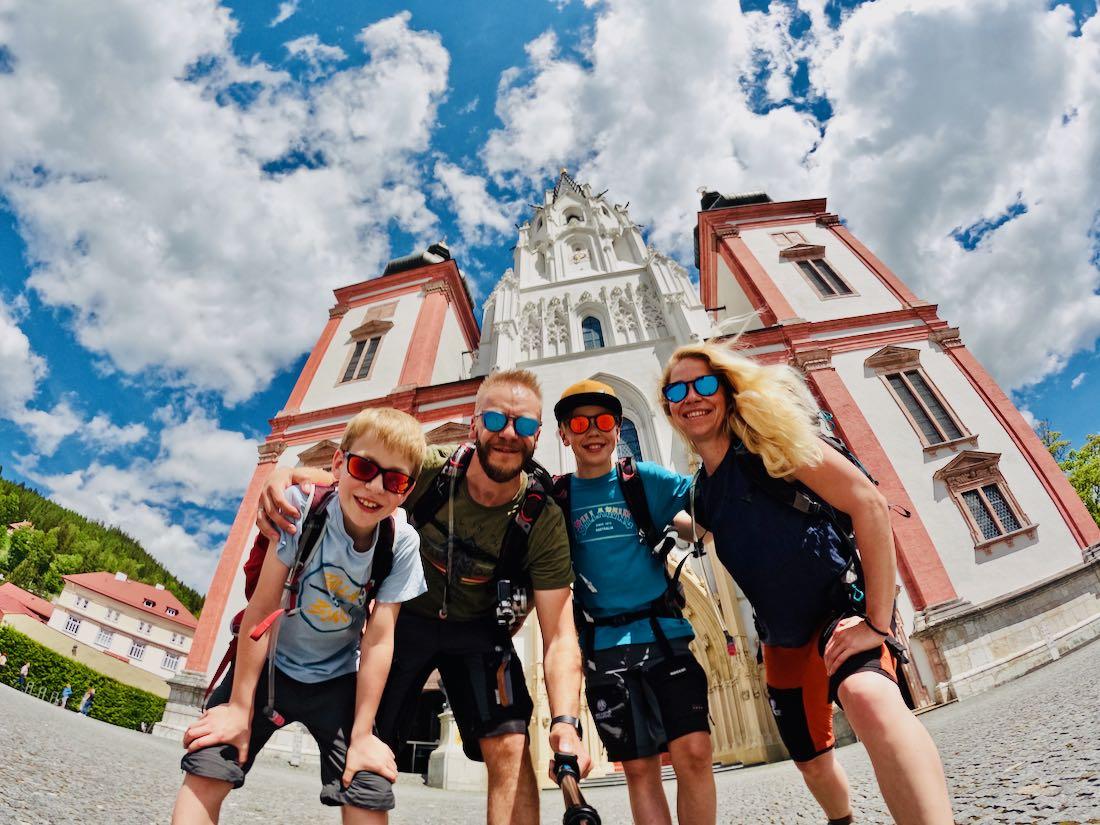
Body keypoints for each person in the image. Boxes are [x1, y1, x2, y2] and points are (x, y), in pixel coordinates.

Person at [258, 369, 589, 825]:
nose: (509, 434)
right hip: (404, 619)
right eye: (495, 420)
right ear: (474, 425)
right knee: (370, 737)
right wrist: (284, 472)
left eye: (525, 425)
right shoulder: (432, 471)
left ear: (539, 437)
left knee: (511, 741)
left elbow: (559, 635)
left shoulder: (544, 517)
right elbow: (358, 479)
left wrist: (567, 722)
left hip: (480, 631)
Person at [659, 343, 953, 825]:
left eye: (705, 383)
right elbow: (715, 530)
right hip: (783, 640)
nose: (692, 395)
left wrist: (877, 622)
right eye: (677, 389)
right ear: (669, 405)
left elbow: (869, 504)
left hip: (840, 612)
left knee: (868, 699)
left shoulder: (772, 442)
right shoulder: (702, 489)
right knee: (812, 764)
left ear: (728, 392)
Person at [172, 408, 428, 825]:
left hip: (336, 680)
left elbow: (380, 639)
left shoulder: (401, 541)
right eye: (364, 467)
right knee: (208, 767)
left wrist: (363, 734)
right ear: (339, 463)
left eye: (395, 480)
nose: (375, 487)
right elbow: (263, 605)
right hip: (269, 667)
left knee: (368, 790)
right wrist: (239, 706)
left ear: (406, 490)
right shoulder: (303, 507)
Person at [552, 380, 716, 825]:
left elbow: (710, 502)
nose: (593, 431)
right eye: (579, 423)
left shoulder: (644, 479)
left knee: (696, 752)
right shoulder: (557, 496)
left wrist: (692, 526)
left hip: (665, 637)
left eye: (604, 421)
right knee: (640, 769)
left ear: (618, 427)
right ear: (564, 434)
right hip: (604, 647)